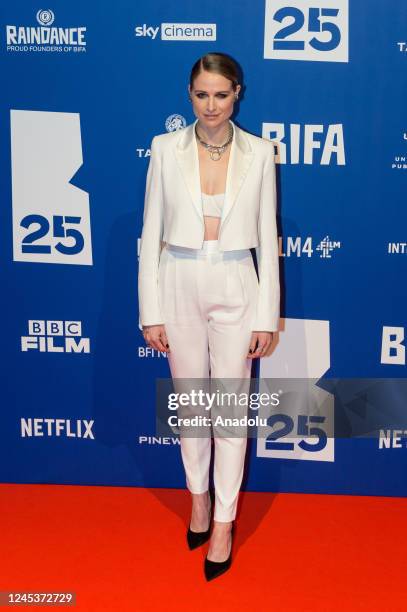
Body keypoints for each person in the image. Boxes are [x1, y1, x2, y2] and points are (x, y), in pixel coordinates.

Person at [138, 52, 280, 581]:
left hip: (237, 281)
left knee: (229, 407)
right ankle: (198, 500)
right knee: (193, 404)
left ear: (237, 94)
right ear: (189, 95)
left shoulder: (261, 152)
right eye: (202, 95)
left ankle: (223, 522)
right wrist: (150, 309)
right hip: (178, 278)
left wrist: (266, 315)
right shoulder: (163, 149)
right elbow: (151, 232)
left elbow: (267, 236)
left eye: (221, 94)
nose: (212, 105)